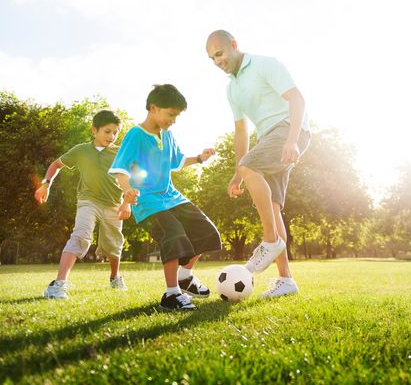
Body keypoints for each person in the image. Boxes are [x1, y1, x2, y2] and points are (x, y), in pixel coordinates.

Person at [205, 29, 311, 298]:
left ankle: (270, 241)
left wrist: (292, 140)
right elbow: (241, 132)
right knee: (273, 206)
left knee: (251, 169)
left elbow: (297, 99)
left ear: (233, 45)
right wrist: (238, 173)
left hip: (288, 130)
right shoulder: (232, 89)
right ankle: (286, 281)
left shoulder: (265, 64)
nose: (217, 61)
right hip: (267, 139)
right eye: (212, 58)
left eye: (219, 54)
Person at [108, 84, 222, 311]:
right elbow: (120, 168)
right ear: (153, 108)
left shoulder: (168, 135)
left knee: (206, 231)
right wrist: (127, 189)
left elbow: (176, 161)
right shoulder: (135, 135)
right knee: (174, 234)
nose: (174, 120)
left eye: (176, 116)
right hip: (148, 201)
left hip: (172, 197)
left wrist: (199, 158)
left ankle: (185, 277)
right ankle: (171, 294)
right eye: (171, 114)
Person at [35, 110, 130, 300]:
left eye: (115, 133)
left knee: (113, 245)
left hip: (114, 204)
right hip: (88, 201)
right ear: (94, 131)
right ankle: (58, 285)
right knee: (81, 236)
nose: (111, 137)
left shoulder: (120, 153)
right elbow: (56, 165)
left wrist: (127, 203)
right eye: (107, 131)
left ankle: (114, 277)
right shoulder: (81, 150)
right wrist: (46, 184)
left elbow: (128, 180)